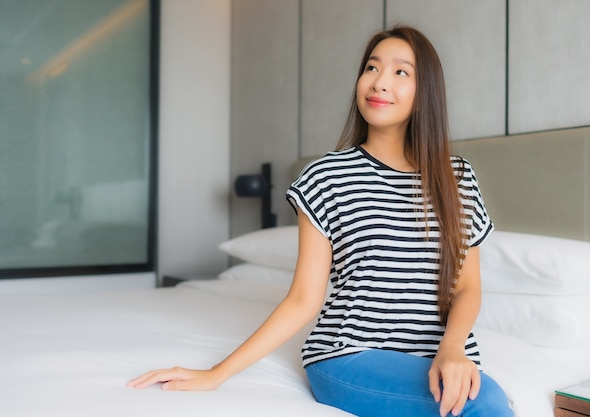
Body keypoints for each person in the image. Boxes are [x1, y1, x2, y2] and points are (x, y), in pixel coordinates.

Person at [128, 25, 513, 417]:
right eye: (371, 68)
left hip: (442, 357)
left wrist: (452, 347)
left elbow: (466, 288)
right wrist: (217, 373)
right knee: (488, 407)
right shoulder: (326, 177)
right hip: (348, 357)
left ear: (426, 91)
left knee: (484, 401)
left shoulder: (457, 178)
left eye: (401, 72)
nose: (379, 82)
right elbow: (302, 299)